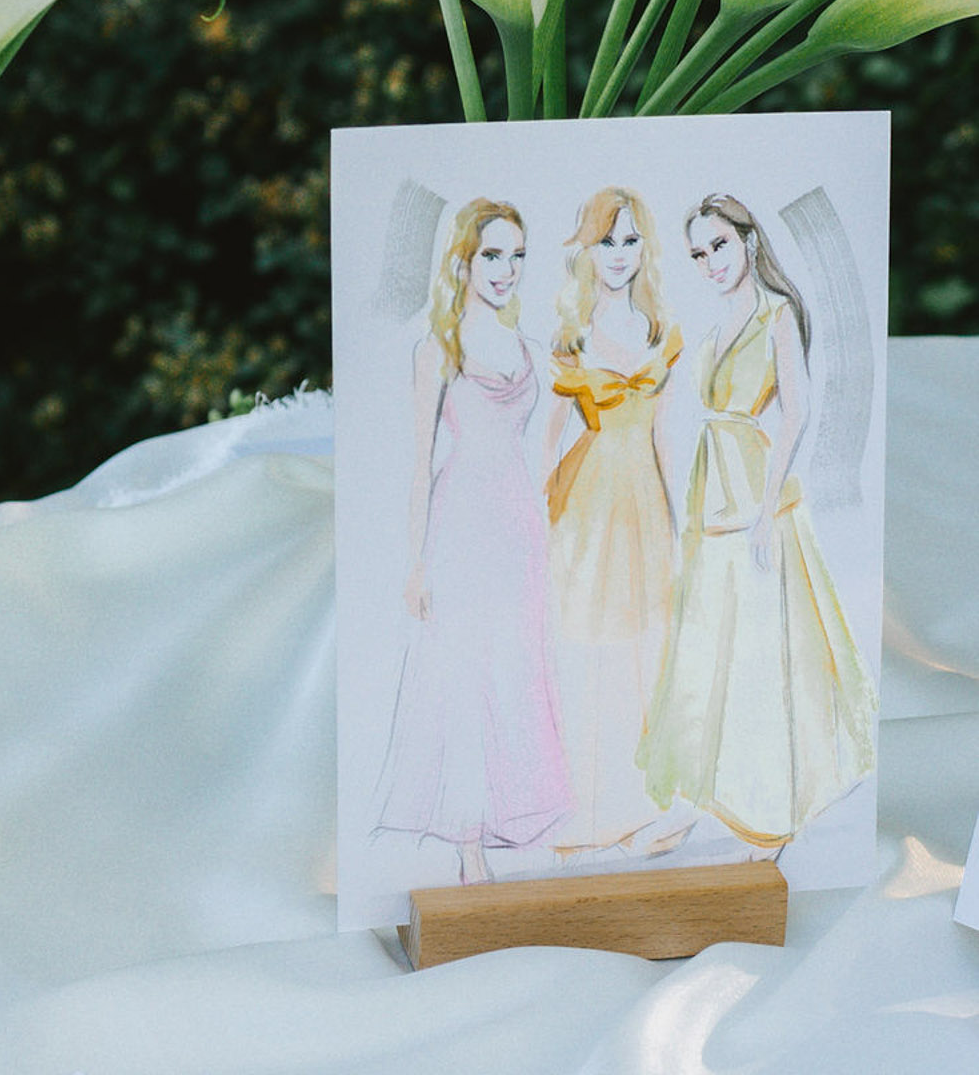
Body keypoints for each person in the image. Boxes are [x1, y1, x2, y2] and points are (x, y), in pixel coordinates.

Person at [639, 194, 876, 849]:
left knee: (759, 642)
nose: (710, 261)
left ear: (747, 239)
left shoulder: (775, 313)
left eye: (718, 244)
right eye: (697, 252)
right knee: (701, 639)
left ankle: (764, 794)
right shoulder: (713, 326)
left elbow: (794, 412)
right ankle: (691, 795)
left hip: (753, 488)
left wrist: (769, 506)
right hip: (708, 488)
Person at [374, 197, 570, 884]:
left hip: (516, 521)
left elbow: (552, 432)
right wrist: (416, 563)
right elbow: (419, 461)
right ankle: (465, 845)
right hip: (459, 521)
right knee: (460, 671)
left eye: (516, 256)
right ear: (462, 258)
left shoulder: (526, 347)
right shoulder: (438, 347)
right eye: (492, 254)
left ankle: (505, 817)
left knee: (514, 666)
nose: (506, 270)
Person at [543, 187, 684, 853]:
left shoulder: (660, 333)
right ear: (587, 247)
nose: (620, 255)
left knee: (649, 648)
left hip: (644, 501)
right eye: (607, 240)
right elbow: (545, 439)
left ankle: (647, 803)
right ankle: (589, 806)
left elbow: (664, 437)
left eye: (631, 241)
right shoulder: (570, 338)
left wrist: (682, 521)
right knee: (591, 648)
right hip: (591, 498)